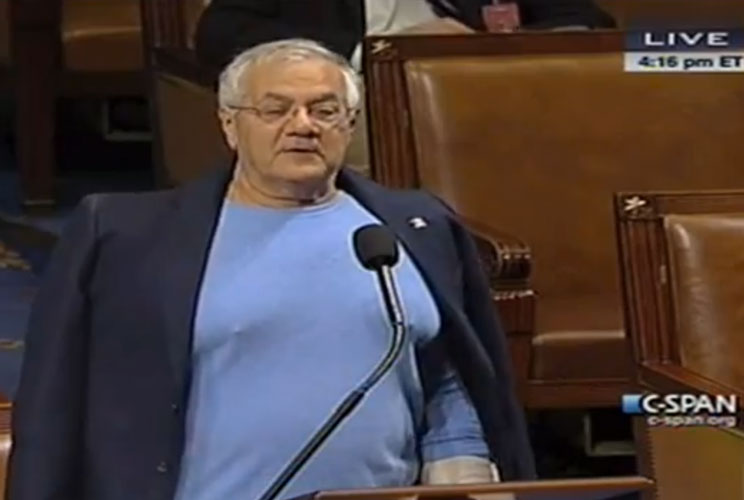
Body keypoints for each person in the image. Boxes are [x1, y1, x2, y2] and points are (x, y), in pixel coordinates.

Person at [6, 39, 535, 500]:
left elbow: (446, 375)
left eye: (324, 111)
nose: (301, 126)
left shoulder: (416, 226)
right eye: (275, 109)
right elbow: (54, 401)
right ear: (229, 124)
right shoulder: (126, 235)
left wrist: (466, 476)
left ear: (349, 125)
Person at [194, 0, 616, 74]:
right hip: (358, 84)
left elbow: (583, 18)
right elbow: (220, 32)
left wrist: (501, 47)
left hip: (486, 81)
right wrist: (372, 56)